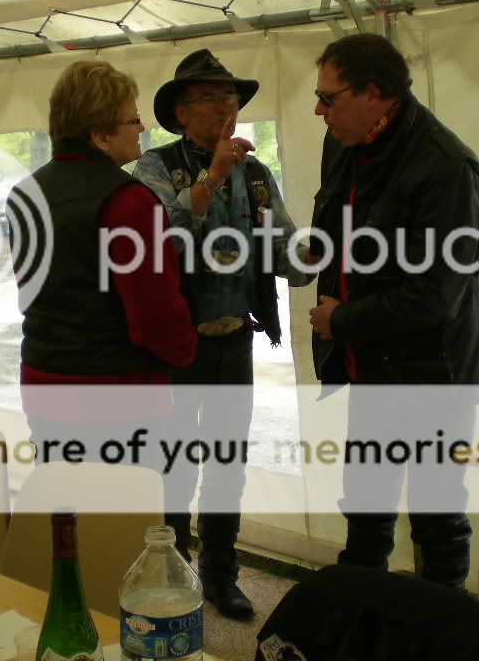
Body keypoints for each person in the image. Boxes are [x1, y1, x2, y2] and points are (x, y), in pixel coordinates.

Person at [307, 33, 479, 590]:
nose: (318, 110)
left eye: (327, 97)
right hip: (372, 368)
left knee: (436, 520)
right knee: (365, 509)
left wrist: (339, 322)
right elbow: (334, 228)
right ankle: (363, 626)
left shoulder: (446, 169)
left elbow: (434, 295)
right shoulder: (343, 140)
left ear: (374, 94)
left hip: (434, 375)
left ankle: (442, 637)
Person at [133, 48, 314, 619]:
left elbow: (284, 248)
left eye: (231, 97)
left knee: (228, 461)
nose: (226, 107)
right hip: (176, 344)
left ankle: (220, 574)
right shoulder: (154, 168)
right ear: (181, 113)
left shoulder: (257, 175)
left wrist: (321, 254)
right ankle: (172, 572)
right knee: (174, 464)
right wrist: (211, 177)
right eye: (211, 97)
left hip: (235, 337)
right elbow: (161, 238)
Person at [5, 60, 197, 549]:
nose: (142, 129)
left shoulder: (24, 194)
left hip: (46, 384)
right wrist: (185, 350)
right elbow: (155, 315)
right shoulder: (126, 201)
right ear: (99, 134)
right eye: (133, 120)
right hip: (116, 397)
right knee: (123, 538)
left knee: (69, 522)